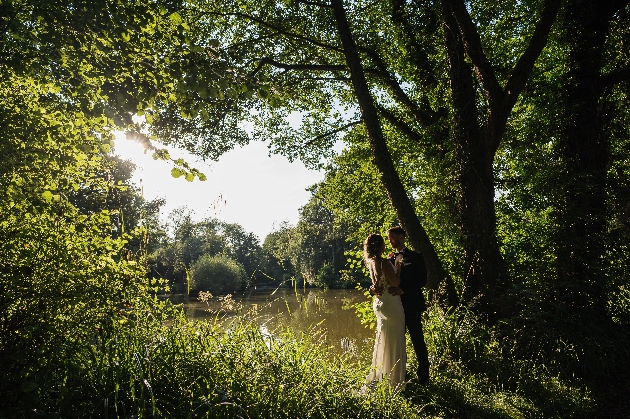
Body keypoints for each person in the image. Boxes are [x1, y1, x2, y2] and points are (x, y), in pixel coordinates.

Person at [384, 225, 430, 385]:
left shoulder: (416, 257)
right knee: (397, 341)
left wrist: (404, 290)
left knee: (418, 340)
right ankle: (400, 376)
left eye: (392, 237)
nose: (389, 240)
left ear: (401, 237)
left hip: (412, 305)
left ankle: (424, 378)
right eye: (389, 238)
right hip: (394, 307)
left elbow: (422, 281)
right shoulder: (388, 259)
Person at [362, 233, 406, 390]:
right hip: (391, 302)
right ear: (381, 246)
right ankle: (395, 381)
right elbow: (395, 282)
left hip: (379, 303)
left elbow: (376, 285)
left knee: (384, 340)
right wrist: (398, 269)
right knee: (396, 340)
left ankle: (382, 377)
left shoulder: (372, 262)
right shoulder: (384, 262)